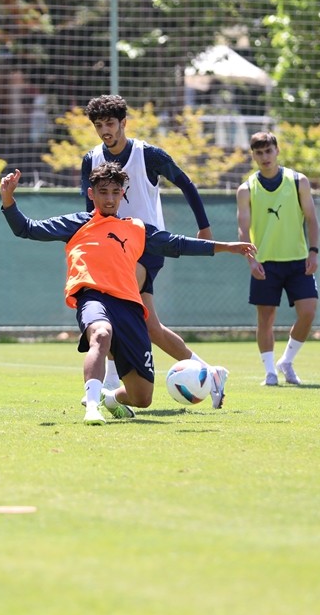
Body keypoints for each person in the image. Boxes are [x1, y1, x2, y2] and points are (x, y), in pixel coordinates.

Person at [2, 162, 256, 425]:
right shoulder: (77, 223)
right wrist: (8, 199)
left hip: (130, 308)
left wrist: (226, 246)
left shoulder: (136, 228)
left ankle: (108, 398)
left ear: (123, 193)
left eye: (115, 191)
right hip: (93, 298)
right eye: (103, 192)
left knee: (142, 397)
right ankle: (91, 406)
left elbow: (176, 244)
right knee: (100, 334)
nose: (110, 198)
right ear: (91, 194)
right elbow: (26, 228)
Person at [79, 94, 231, 408]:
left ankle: (108, 383)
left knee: (111, 302)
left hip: (146, 245)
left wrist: (204, 227)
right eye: (99, 125)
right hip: (110, 248)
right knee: (151, 326)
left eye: (110, 123)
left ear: (123, 123)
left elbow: (186, 183)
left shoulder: (147, 154)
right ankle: (210, 373)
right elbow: (88, 208)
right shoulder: (90, 159)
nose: (105, 130)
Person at [236, 131, 320, 386]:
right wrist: (251, 261)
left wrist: (314, 251)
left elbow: (312, 219)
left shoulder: (298, 181)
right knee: (266, 319)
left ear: (277, 151)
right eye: (259, 153)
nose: (265, 157)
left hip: (298, 261)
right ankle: (270, 372)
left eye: (268, 151)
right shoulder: (246, 189)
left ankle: (287, 361)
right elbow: (242, 229)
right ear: (253, 155)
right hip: (265, 263)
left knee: (308, 312)